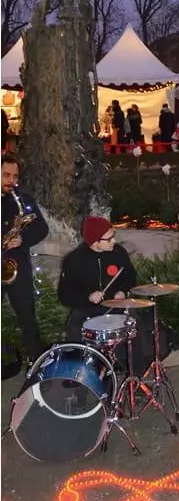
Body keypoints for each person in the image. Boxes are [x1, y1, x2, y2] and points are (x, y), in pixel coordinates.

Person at [58, 216, 137, 344]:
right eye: (109, 239)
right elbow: (64, 295)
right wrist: (88, 297)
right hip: (86, 310)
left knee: (137, 326)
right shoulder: (74, 260)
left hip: (116, 308)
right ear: (95, 242)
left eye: (114, 235)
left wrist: (122, 291)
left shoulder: (119, 252)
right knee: (77, 334)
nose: (114, 241)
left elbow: (130, 276)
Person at [1, 154, 49, 362]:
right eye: (5, 175)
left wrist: (22, 238)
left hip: (16, 267)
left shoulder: (22, 200)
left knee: (27, 318)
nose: (11, 181)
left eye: (14, 176)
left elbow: (42, 228)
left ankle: (36, 362)